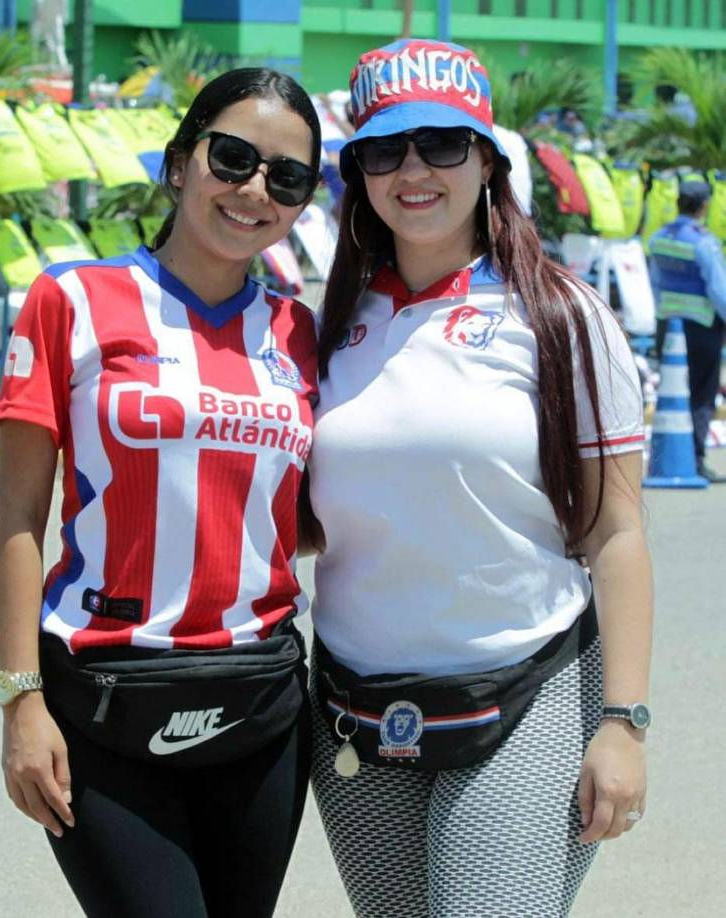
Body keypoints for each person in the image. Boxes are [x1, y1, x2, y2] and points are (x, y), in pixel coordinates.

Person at [304, 39, 654, 917]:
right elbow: (310, 516)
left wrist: (625, 723)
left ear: (489, 161)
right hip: (352, 706)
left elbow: (616, 534)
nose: (412, 170)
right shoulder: (329, 324)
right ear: (359, 173)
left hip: (525, 690)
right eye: (384, 149)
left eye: (441, 143)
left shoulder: (561, 316)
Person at [0, 68, 321, 918]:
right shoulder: (71, 301)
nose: (255, 190)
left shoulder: (298, 329)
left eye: (287, 176)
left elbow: (306, 514)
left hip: (261, 709)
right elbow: (20, 518)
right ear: (179, 164)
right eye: (234, 158)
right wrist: (20, 700)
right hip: (102, 706)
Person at [650, 178, 726, 483]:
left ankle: (666, 456)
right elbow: (718, 289)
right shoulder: (703, 242)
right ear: (704, 206)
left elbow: (655, 283)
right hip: (702, 327)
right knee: (701, 395)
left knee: (670, 392)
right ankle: (695, 458)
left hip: (668, 325)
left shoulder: (660, 238)